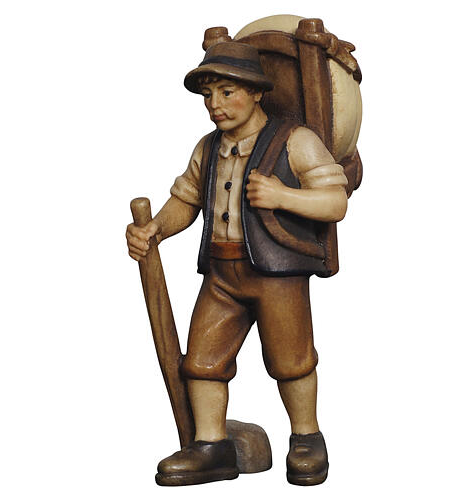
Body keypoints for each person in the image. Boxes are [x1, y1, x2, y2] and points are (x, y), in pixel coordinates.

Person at [126, 41, 348, 486]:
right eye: (209, 95)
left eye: (227, 93)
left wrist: (282, 196)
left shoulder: (295, 141)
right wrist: (156, 230)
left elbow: (335, 202)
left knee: (291, 360)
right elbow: (186, 200)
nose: (215, 105)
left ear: (257, 92)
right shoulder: (208, 148)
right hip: (222, 274)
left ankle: (306, 437)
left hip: (277, 274)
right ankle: (211, 445)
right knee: (202, 362)